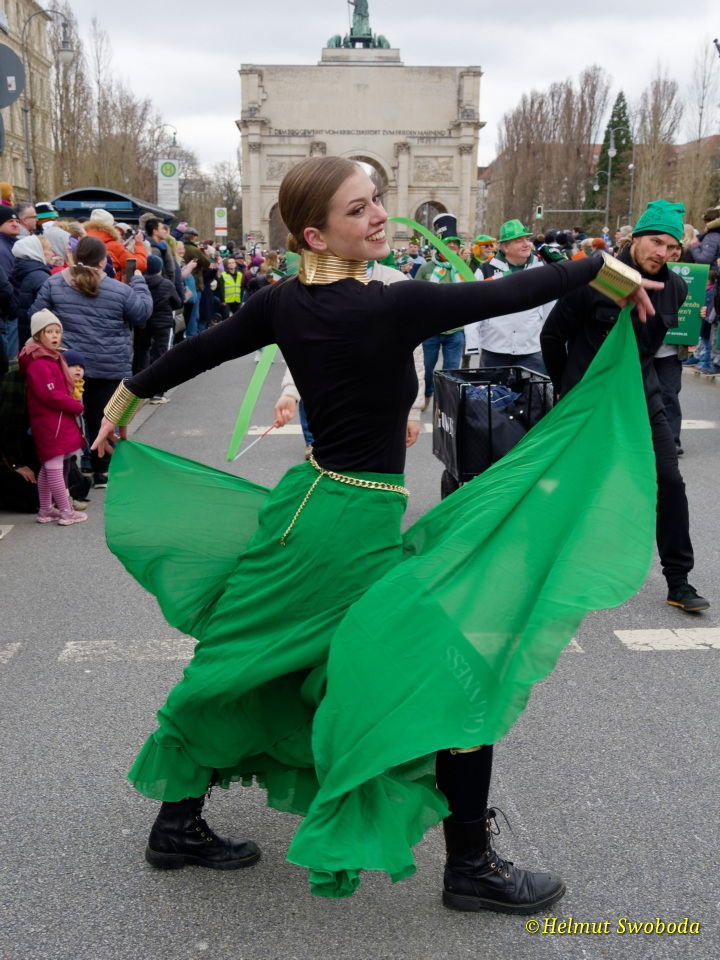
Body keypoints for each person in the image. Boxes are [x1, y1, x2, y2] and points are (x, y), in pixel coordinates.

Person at [92, 156, 657, 912]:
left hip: (314, 510)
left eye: (377, 200)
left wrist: (124, 401)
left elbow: (200, 350)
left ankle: (177, 822)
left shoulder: (285, 301)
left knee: (248, 659)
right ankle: (471, 866)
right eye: (358, 210)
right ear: (314, 234)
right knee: (447, 670)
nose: (380, 216)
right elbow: (508, 291)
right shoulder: (389, 305)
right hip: (342, 530)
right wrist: (606, 268)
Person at [541, 200, 709, 614]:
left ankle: (679, 581)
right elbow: (552, 336)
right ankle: (549, 566)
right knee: (572, 483)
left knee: (670, 482)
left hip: (642, 397)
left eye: (672, 247)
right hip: (589, 398)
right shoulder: (595, 279)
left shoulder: (676, 288)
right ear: (635, 238)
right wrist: (566, 390)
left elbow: (652, 350)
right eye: (656, 242)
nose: (662, 253)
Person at [30, 235, 152, 489]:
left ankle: (73, 469)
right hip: (110, 362)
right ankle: (102, 470)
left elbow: (36, 315)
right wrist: (139, 283)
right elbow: (141, 314)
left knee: (70, 417)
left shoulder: (54, 283)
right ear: (103, 260)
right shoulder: (120, 290)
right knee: (103, 416)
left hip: (68, 363)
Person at [17, 310, 87, 525]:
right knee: (54, 466)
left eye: (58, 331)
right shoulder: (39, 362)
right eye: (49, 331)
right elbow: (49, 394)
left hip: (56, 421)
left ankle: (46, 509)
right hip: (51, 422)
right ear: (38, 335)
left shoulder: (50, 357)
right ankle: (66, 511)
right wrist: (75, 406)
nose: (55, 335)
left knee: (49, 467)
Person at [465, 219, 553, 374]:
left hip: (531, 350)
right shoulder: (485, 270)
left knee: (532, 390)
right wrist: (472, 343)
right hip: (494, 349)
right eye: (519, 241)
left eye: (527, 239)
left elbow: (549, 306)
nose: (526, 244)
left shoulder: (541, 268)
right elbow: (472, 307)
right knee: (494, 390)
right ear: (505, 247)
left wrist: (549, 340)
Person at [415, 213, 467, 407]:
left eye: (455, 243)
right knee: (428, 369)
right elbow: (415, 296)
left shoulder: (463, 268)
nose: (452, 246)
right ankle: (428, 392)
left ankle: (444, 405)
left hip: (456, 330)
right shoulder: (426, 268)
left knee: (451, 373)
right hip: (431, 330)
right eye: (448, 242)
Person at [133, 255, 183, 403]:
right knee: (161, 355)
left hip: (143, 322)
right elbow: (177, 303)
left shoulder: (138, 283)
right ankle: (157, 393)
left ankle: (138, 389)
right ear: (160, 269)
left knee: (141, 352)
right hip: (162, 323)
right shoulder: (166, 284)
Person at [84, 209, 148, 281]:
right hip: (110, 284)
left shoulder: (82, 240)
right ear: (110, 226)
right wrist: (139, 243)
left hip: (85, 282)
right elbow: (140, 265)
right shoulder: (113, 245)